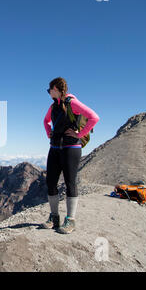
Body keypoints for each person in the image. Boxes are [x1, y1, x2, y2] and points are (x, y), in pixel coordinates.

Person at [40, 77, 100, 234]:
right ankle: (54, 218)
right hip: (54, 148)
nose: (48, 92)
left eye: (49, 90)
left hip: (70, 148)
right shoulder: (53, 107)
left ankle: (70, 220)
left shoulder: (72, 103)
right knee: (51, 182)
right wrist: (49, 134)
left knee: (70, 183)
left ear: (57, 89)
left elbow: (94, 117)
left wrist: (79, 134)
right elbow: (45, 121)